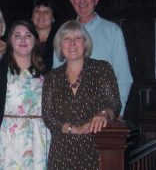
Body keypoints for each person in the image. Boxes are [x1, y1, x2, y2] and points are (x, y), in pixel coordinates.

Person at [42, 20, 121, 169]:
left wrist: (103, 114)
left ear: (85, 43)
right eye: (66, 39)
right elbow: (48, 117)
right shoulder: (51, 77)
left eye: (77, 38)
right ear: (60, 45)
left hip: (95, 147)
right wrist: (74, 129)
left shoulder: (101, 69)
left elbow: (114, 105)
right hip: (61, 152)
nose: (72, 43)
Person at [53, 0, 133, 118]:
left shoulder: (113, 31)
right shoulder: (63, 34)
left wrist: (116, 112)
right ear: (71, 0)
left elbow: (124, 77)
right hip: (71, 118)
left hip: (103, 117)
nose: (82, 0)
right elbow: (55, 79)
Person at [0, 20, 51, 170]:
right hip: (8, 147)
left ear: (35, 41)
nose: (23, 40)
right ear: (10, 41)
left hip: (39, 146)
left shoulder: (45, 73)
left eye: (28, 35)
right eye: (17, 36)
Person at [31, 0, 58, 72]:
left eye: (46, 12)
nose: (41, 15)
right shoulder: (24, 39)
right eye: (37, 11)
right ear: (32, 17)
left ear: (53, 17)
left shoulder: (61, 38)